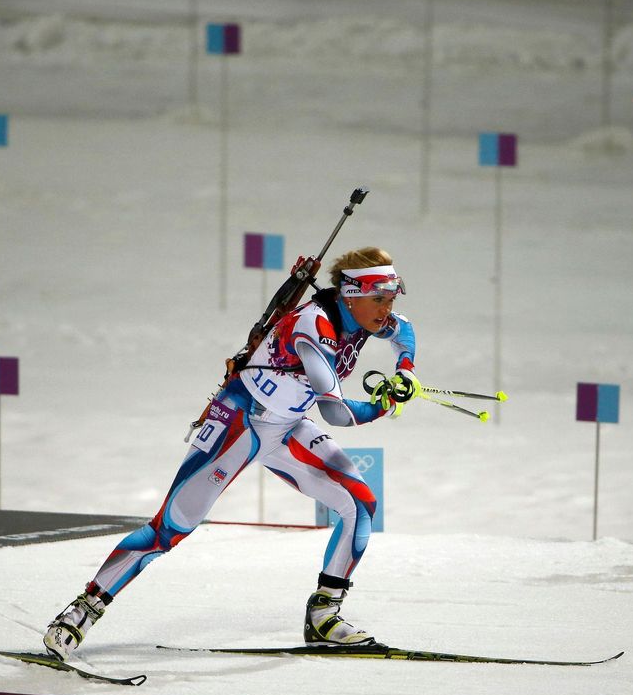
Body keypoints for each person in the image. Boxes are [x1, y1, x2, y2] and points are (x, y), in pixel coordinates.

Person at [43, 246, 420, 660]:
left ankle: (324, 617)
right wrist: (386, 402)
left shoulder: (366, 315)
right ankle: (81, 612)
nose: (387, 310)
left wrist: (404, 372)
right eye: (380, 299)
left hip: (286, 426)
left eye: (390, 299)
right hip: (239, 423)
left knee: (360, 504)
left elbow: (405, 332)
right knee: (171, 527)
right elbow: (336, 411)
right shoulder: (315, 325)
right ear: (351, 294)